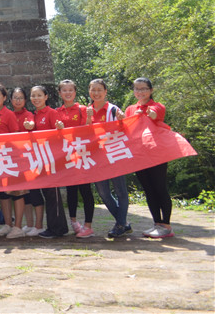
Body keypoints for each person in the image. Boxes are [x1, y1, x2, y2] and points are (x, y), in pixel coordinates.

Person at [124, 77, 173, 238]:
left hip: (157, 154)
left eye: (144, 89)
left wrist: (148, 114)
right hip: (139, 155)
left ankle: (166, 225)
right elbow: (127, 128)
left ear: (151, 90)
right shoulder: (130, 109)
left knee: (160, 188)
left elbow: (155, 114)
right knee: (149, 190)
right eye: (137, 89)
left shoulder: (157, 106)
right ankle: (157, 223)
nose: (140, 92)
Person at [86, 79, 130, 238]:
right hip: (97, 158)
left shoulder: (113, 110)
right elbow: (83, 135)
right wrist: (88, 118)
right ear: (89, 92)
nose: (96, 93)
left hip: (114, 155)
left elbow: (125, 131)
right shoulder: (87, 111)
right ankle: (123, 223)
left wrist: (122, 121)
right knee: (103, 192)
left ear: (105, 92)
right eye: (93, 90)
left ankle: (120, 225)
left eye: (99, 90)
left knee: (120, 192)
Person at [24, 85, 67, 239]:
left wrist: (60, 128)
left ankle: (57, 229)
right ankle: (55, 227)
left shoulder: (52, 113)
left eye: (39, 95)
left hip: (51, 160)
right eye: (33, 96)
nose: (36, 98)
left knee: (52, 195)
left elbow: (59, 134)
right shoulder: (33, 115)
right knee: (47, 195)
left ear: (46, 97)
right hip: (38, 160)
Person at [0, 83, 27, 239]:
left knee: (17, 192)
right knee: (2, 194)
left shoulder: (8, 114)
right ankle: (8, 224)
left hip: (11, 158)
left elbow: (15, 136)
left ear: (4, 98)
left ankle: (18, 226)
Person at [56, 79, 95, 238]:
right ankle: (74, 222)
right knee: (71, 190)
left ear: (75, 92)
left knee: (86, 191)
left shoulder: (83, 109)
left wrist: (88, 118)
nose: (68, 93)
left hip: (82, 155)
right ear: (60, 93)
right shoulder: (57, 112)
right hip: (66, 156)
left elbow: (89, 131)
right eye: (64, 90)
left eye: (70, 90)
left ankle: (88, 225)